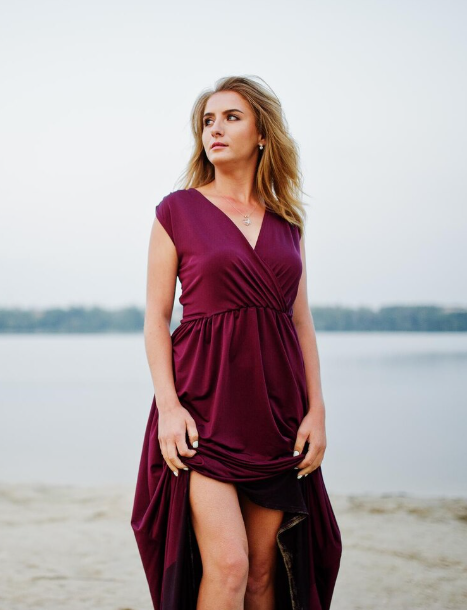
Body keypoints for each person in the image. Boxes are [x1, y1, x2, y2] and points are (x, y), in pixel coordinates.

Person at [131, 76, 342, 610]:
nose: (215, 130)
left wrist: (316, 411)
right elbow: (156, 318)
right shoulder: (177, 210)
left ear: (263, 133)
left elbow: (301, 324)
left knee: (262, 575)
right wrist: (169, 407)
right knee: (229, 566)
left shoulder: (288, 224)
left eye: (231, 117)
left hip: (276, 417)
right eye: (208, 121)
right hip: (202, 411)